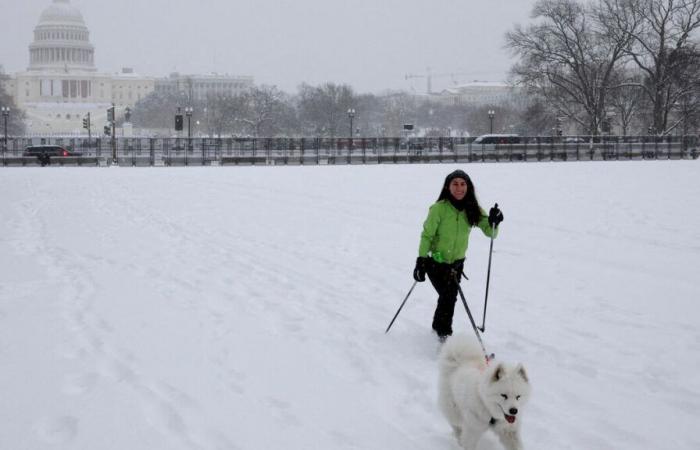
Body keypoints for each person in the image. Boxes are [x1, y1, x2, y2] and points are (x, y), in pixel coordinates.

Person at [413, 169, 503, 341]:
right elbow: (427, 235)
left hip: (456, 265)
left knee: (447, 296)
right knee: (448, 296)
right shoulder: (439, 209)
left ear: (468, 187)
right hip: (435, 262)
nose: (459, 188)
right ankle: (444, 334)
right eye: (455, 184)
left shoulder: (473, 209)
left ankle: (438, 328)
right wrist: (421, 260)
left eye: (463, 184)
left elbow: (491, 233)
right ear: (448, 187)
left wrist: (494, 221)